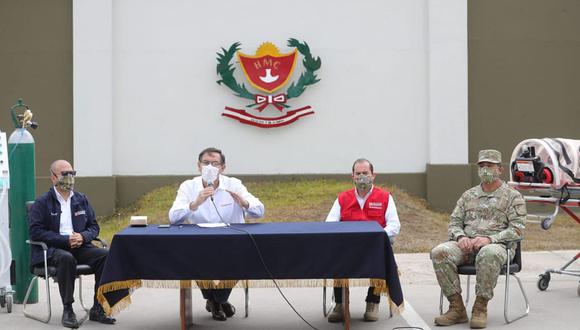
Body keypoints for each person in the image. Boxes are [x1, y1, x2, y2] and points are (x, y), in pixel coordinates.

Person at [430, 150, 526, 329]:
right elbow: (454, 223)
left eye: (489, 165)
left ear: (500, 170)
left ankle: (480, 307)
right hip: (467, 246)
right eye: (481, 166)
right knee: (439, 252)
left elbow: (518, 230)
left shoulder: (513, 196)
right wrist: (460, 236)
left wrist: (490, 239)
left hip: (498, 247)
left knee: (488, 253)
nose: (485, 169)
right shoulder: (468, 195)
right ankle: (457, 308)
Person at [168, 147, 265, 321]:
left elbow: (259, 211)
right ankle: (218, 301)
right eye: (206, 163)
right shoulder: (188, 186)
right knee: (189, 258)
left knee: (245, 256)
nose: (210, 167)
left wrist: (244, 203)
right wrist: (194, 203)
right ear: (198, 166)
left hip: (232, 242)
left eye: (215, 163)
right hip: (199, 244)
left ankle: (217, 300)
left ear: (223, 167)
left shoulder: (233, 184)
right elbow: (173, 217)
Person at [28, 160, 117, 328]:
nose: (69, 178)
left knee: (106, 255)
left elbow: (94, 227)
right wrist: (65, 239)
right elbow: (35, 232)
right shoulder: (42, 203)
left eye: (72, 173)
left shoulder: (81, 199)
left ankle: (98, 307)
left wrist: (83, 237)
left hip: (80, 246)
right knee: (66, 258)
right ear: (53, 178)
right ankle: (68, 309)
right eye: (64, 174)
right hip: (54, 250)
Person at [325, 158, 401, 323]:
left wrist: (377, 236)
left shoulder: (385, 197)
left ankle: (372, 302)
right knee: (335, 256)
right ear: (352, 176)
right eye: (358, 173)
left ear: (373, 175)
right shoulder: (342, 198)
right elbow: (330, 223)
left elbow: (394, 225)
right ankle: (340, 304)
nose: (361, 177)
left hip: (373, 247)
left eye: (365, 173)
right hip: (347, 247)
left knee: (381, 255)